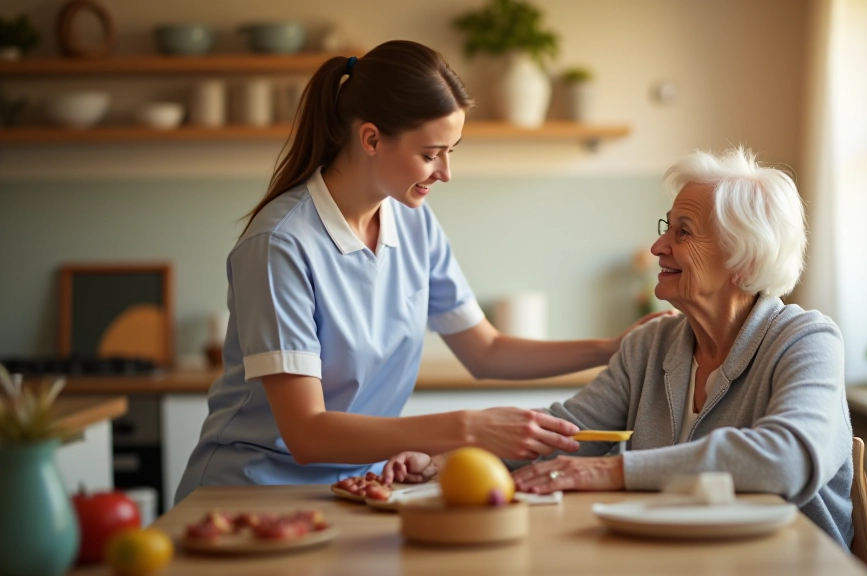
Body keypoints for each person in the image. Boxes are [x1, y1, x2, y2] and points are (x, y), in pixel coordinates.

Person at [175, 40, 666, 504]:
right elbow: (306, 434)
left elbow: (486, 351)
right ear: (371, 138)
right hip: (250, 490)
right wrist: (468, 429)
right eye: (431, 154)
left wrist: (610, 348)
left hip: (355, 489)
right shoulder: (280, 244)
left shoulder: (413, 222)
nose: (445, 172)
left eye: (452, 151)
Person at [384, 147, 855, 549]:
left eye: (683, 232)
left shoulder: (806, 341)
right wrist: (443, 466)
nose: (658, 246)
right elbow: (565, 433)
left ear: (743, 257)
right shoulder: (651, 345)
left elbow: (786, 459)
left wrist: (614, 472)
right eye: (666, 227)